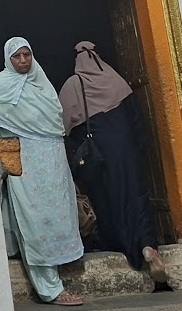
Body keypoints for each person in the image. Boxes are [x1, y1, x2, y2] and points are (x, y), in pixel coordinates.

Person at [0, 37, 85, 307]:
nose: (23, 61)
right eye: (17, 56)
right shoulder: (0, 84)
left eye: (26, 55)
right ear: (8, 59)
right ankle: (50, 288)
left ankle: (48, 271)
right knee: (33, 218)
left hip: (52, 164)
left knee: (55, 214)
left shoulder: (42, 84)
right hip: (24, 163)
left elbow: (55, 123)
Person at [59, 40, 168, 287]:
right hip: (125, 153)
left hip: (97, 157)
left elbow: (62, 127)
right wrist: (135, 150)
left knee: (106, 201)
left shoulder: (73, 85)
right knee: (134, 195)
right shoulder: (116, 81)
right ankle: (147, 245)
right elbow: (137, 121)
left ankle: (118, 245)